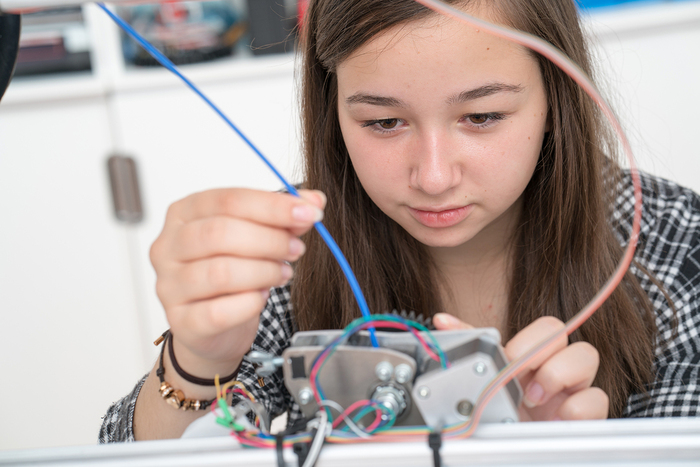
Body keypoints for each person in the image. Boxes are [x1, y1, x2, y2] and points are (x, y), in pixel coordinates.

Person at [100, 0, 700, 442]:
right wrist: (198, 360)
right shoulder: (288, 251)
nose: (433, 176)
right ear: (332, 110)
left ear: (556, 99)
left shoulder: (678, 246)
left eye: (483, 116)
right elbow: (137, 449)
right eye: (384, 123)